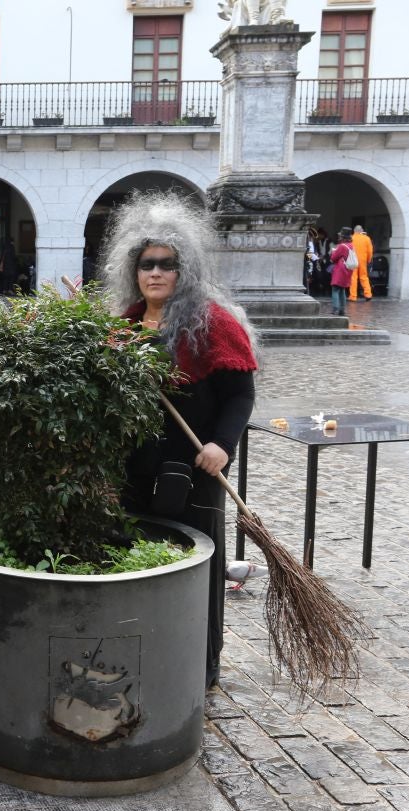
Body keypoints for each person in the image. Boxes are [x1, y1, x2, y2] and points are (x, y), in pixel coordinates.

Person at [101, 192, 258, 690]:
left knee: (199, 564)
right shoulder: (125, 324)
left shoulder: (213, 324)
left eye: (166, 264)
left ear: (182, 269)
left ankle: (200, 662)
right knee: (141, 557)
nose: (155, 273)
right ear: (134, 269)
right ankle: (147, 650)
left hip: (196, 470)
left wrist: (222, 445)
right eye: (146, 263)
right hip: (136, 471)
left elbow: (240, 394)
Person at [330, 227, 355, 315]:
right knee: (342, 290)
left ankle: (335, 308)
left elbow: (333, 258)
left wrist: (333, 252)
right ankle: (342, 309)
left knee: (335, 289)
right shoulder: (351, 245)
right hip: (348, 270)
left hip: (340, 270)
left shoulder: (341, 246)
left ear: (342, 236)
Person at [350, 224, 374, 302]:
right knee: (364, 277)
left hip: (353, 260)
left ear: (354, 231)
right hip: (363, 260)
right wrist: (369, 260)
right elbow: (370, 251)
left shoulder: (351, 238)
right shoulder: (367, 238)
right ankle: (368, 294)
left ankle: (353, 296)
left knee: (353, 277)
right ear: (362, 231)